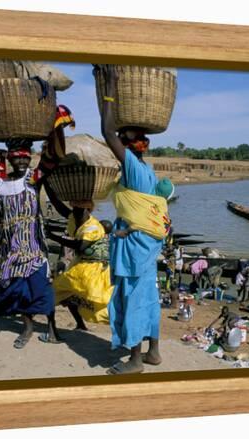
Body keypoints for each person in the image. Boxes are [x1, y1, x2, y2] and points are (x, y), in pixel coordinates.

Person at [0, 135, 63, 349]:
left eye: (26, 157)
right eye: (17, 158)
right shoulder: (1, 185)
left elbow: (54, 158)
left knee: (43, 287)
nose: (22, 161)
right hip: (12, 250)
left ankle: (52, 329)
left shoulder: (33, 179)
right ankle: (27, 328)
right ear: (10, 159)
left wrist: (56, 129)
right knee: (19, 292)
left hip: (34, 247)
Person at [98, 64, 168, 374]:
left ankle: (136, 360)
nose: (117, 138)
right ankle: (153, 352)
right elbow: (146, 209)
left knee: (132, 297)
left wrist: (111, 88)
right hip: (146, 242)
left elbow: (105, 130)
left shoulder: (134, 168)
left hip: (135, 246)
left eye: (121, 137)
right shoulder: (147, 171)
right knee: (149, 295)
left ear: (127, 143)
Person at [44, 191, 114, 329]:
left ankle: (52, 332)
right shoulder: (78, 219)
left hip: (90, 271)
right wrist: (47, 186)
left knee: (52, 294)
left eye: (79, 210)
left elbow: (81, 246)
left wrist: (53, 237)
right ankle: (80, 324)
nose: (75, 212)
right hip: (85, 268)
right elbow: (59, 206)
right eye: (74, 209)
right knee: (67, 295)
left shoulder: (92, 227)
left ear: (87, 210)